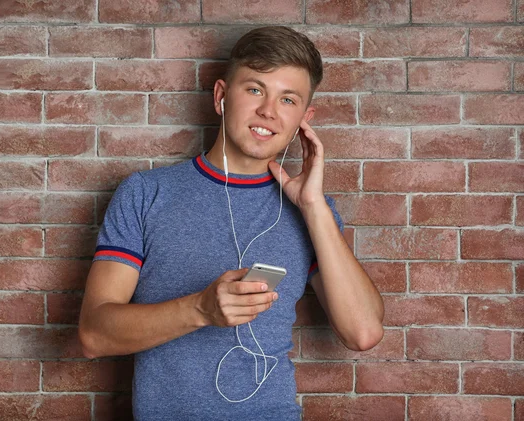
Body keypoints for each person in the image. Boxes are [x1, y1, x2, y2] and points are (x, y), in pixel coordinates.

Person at [78, 26, 384, 420]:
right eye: (255, 90)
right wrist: (201, 310)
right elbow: (93, 335)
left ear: (303, 120)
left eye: (287, 99)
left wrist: (313, 207)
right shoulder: (145, 193)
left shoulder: (313, 213)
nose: (269, 111)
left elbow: (363, 333)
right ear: (221, 97)